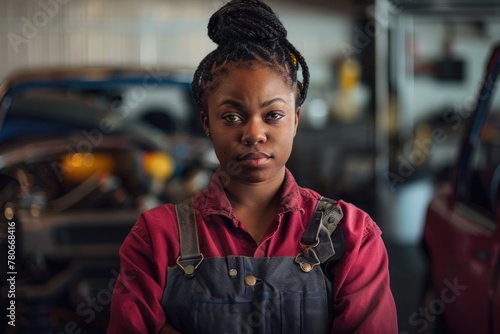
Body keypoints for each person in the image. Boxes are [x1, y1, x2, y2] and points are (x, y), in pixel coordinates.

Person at [107, 0, 398, 333]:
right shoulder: (156, 238)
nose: (254, 134)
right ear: (206, 124)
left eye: (273, 115)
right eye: (231, 117)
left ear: (296, 121)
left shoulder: (352, 236)